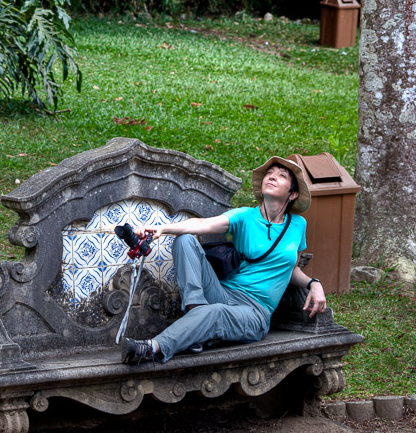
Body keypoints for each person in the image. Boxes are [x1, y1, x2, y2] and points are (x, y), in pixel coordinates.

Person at [121, 156, 327, 364]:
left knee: (215, 312)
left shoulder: (298, 225)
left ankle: (151, 348)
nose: (272, 177)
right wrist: (162, 229)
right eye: (270, 173)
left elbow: (289, 268)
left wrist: (313, 284)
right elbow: (203, 224)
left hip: (254, 312)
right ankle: (196, 311)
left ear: (292, 193)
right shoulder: (244, 217)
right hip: (222, 293)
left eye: (282, 176)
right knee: (184, 240)